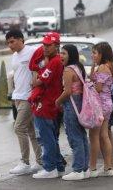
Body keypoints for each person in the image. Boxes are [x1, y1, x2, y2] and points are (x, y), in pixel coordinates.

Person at [5, 30, 43, 176]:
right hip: (18, 97)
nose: (10, 45)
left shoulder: (33, 51)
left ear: (21, 39)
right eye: (8, 42)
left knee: (18, 127)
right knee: (31, 131)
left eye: (12, 41)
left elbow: (42, 67)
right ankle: (40, 162)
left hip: (29, 97)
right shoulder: (14, 56)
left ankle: (25, 162)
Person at [29, 32, 66, 179]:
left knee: (47, 138)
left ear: (56, 46)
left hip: (47, 104)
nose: (45, 47)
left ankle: (50, 168)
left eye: (48, 45)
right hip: (48, 103)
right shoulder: (51, 60)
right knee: (50, 138)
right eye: (44, 44)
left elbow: (38, 81)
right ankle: (59, 167)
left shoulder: (55, 61)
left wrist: (36, 79)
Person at [55, 44, 90, 181]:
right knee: (81, 136)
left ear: (71, 55)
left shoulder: (68, 70)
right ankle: (84, 168)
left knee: (74, 137)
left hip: (72, 104)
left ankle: (77, 169)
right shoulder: (79, 67)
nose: (61, 56)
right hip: (81, 103)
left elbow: (68, 91)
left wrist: (57, 101)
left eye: (64, 53)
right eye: (60, 53)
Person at [88, 42, 113, 177]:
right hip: (107, 104)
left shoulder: (102, 68)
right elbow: (92, 78)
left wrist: (88, 88)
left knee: (94, 136)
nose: (92, 55)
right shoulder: (109, 66)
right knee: (104, 135)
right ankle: (108, 167)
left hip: (100, 105)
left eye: (95, 53)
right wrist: (94, 66)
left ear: (102, 54)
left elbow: (98, 88)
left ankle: (92, 168)